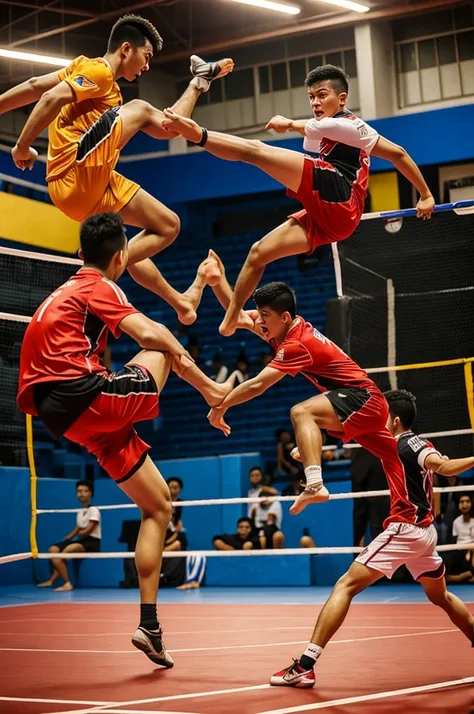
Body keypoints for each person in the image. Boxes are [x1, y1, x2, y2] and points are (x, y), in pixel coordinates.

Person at [17, 213, 234, 669]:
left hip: (66, 417)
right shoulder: (100, 286)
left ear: (81, 253)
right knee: (159, 346)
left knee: (158, 508)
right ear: (120, 257)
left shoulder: (65, 291)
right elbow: (151, 335)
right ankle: (214, 393)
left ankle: (149, 625)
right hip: (83, 395)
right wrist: (208, 387)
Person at [161, 63, 435, 336]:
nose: (315, 102)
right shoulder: (326, 132)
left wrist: (426, 194)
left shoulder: (355, 126)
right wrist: (294, 126)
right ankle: (233, 319)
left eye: (322, 95)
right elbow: (319, 131)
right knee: (257, 253)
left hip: (340, 196)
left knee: (255, 151)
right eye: (311, 97)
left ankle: (194, 132)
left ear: (342, 99)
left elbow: (398, 153)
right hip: (331, 220)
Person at [1, 13, 233, 325]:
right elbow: (49, 97)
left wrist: (198, 85)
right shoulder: (99, 71)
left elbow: (170, 128)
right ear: (126, 49)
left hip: (93, 185)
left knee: (167, 225)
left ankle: (176, 300)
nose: (147, 66)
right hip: (75, 173)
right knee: (138, 109)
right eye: (146, 56)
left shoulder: (86, 71)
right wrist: (22, 145)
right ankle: (98, 264)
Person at [269, 388, 474, 688]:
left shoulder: (406, 445)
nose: (376, 416)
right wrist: (309, 443)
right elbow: (354, 433)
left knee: (346, 585)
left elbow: (443, 467)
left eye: (382, 413)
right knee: (440, 596)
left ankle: (305, 665)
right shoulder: (409, 442)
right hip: (425, 535)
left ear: (394, 419)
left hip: (404, 530)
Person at [207, 276, 406, 520]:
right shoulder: (286, 325)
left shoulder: (296, 344)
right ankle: (409, 512)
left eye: (264, 315)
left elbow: (258, 384)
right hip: (363, 404)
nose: (259, 319)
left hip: (363, 399)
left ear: (284, 317)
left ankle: (314, 484)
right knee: (396, 455)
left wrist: (220, 406)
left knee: (301, 412)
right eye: (259, 313)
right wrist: (217, 281)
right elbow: (237, 315)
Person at [38, 479, 101, 592]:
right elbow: (77, 528)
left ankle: (67, 583)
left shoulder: (94, 510)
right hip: (80, 541)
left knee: (67, 550)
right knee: (53, 549)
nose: (81, 494)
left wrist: (80, 533)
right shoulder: (80, 511)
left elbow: (87, 530)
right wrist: (67, 538)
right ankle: (51, 581)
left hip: (91, 543)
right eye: (79, 491)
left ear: (90, 493)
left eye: (84, 491)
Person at [445, 494, 474, 584]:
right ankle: (468, 575)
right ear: (458, 505)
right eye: (462, 502)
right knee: (445, 558)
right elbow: (455, 540)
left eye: (467, 501)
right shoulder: (456, 521)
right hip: (460, 550)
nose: (464, 504)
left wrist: (470, 551)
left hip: (472, 550)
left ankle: (460, 577)